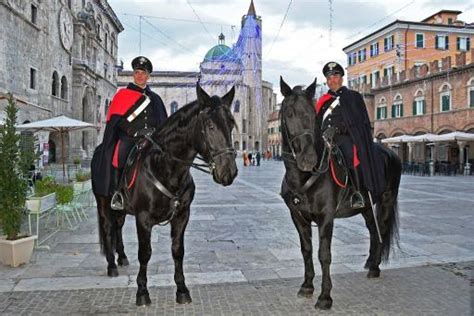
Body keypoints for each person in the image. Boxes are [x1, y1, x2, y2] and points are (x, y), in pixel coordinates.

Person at [92, 56, 168, 210]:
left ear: (148, 76)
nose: (140, 76)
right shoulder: (122, 95)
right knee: (120, 157)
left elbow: (163, 123)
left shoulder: (155, 99)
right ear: (133, 74)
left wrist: (154, 132)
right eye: (137, 72)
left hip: (152, 141)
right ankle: (118, 193)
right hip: (129, 139)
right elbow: (117, 121)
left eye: (143, 73)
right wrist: (136, 132)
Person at [315, 61, 386, 208]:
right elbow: (318, 121)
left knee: (349, 155)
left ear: (341, 78)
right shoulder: (323, 101)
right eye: (328, 78)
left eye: (335, 76)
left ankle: (357, 193)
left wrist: (337, 129)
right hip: (324, 139)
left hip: (345, 138)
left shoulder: (352, 97)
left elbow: (359, 122)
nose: (332, 80)